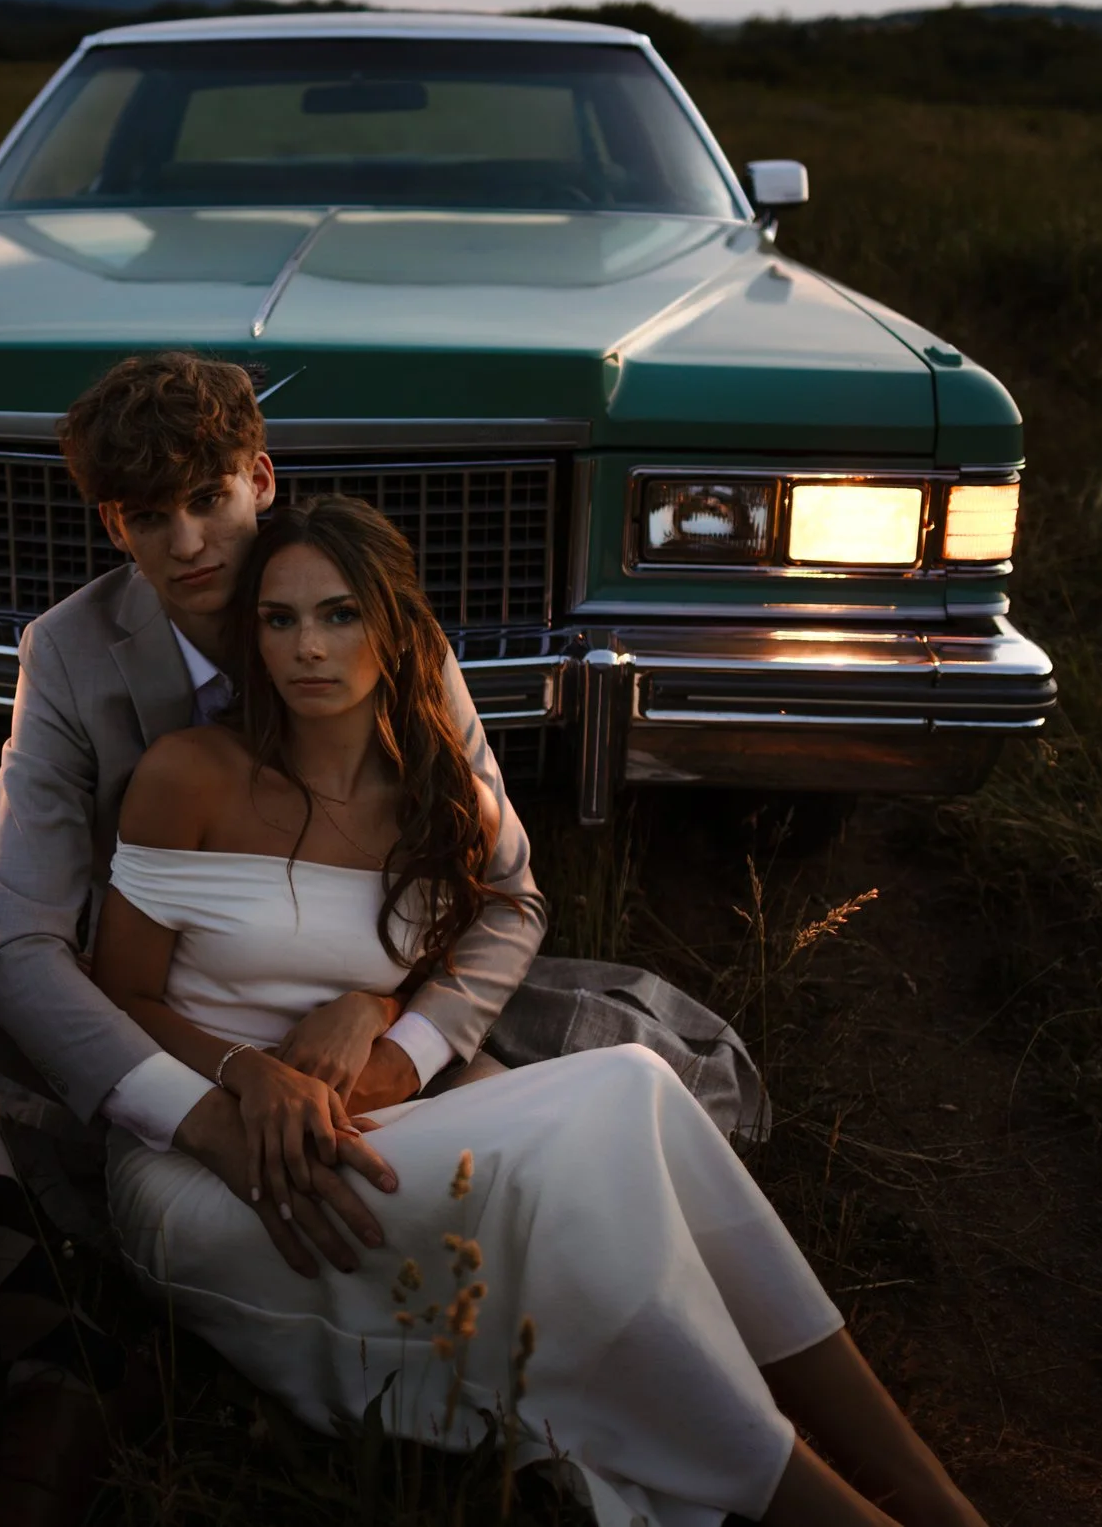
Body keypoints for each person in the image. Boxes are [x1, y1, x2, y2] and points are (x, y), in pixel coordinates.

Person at [91, 495, 992, 1527]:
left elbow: (452, 940)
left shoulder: (437, 797)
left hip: (379, 1125)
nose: (308, 647)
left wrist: (376, 1004)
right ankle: (841, 1509)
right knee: (600, 1122)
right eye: (279, 619)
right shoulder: (192, 774)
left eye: (339, 615)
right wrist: (241, 1072)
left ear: (394, 628)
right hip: (217, 1163)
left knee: (635, 1102)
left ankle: (921, 1487)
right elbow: (118, 990)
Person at [0, 353, 549, 1527]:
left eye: (209, 498)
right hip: (128, 1003)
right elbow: (17, 938)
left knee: (512, 1194)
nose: (190, 540)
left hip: (341, 1005)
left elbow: (505, 893)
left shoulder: (366, 618)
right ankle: (40, 1330)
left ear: (260, 476)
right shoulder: (68, 651)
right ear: (115, 524)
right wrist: (213, 1100)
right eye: (150, 517)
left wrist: (389, 1022)